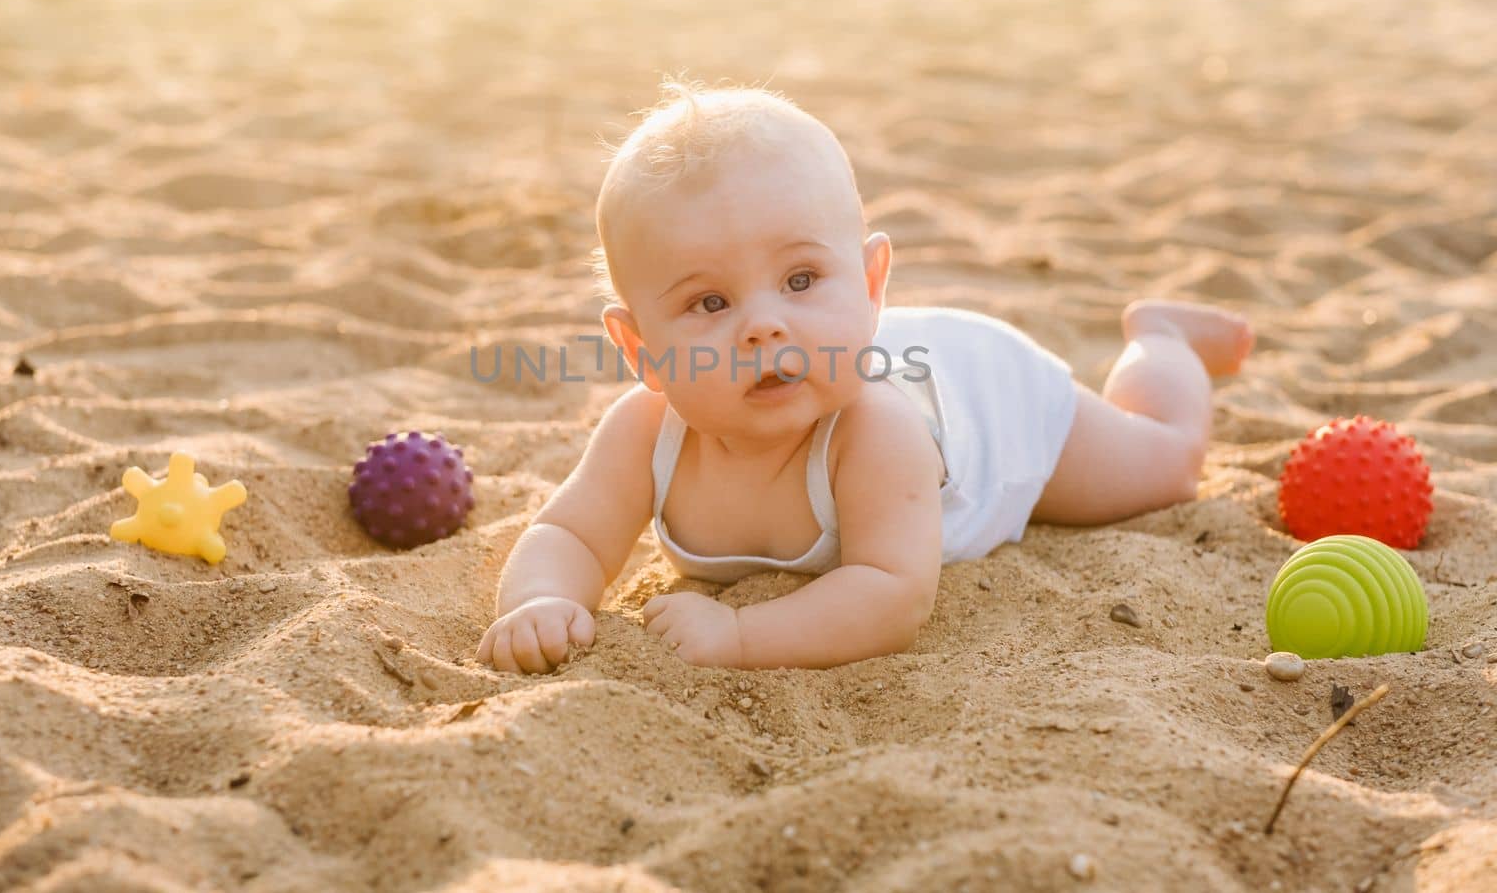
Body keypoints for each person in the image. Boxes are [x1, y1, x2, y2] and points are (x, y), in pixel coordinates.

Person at [476, 80, 1254, 674]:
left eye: (804, 278)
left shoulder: (874, 433)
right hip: (893, 364)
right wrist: (542, 600)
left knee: (1167, 464)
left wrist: (741, 635)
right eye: (709, 301)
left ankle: (1162, 340)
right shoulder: (645, 432)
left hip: (991, 407)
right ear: (639, 346)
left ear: (872, 282)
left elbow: (891, 594)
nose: (763, 324)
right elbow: (568, 531)